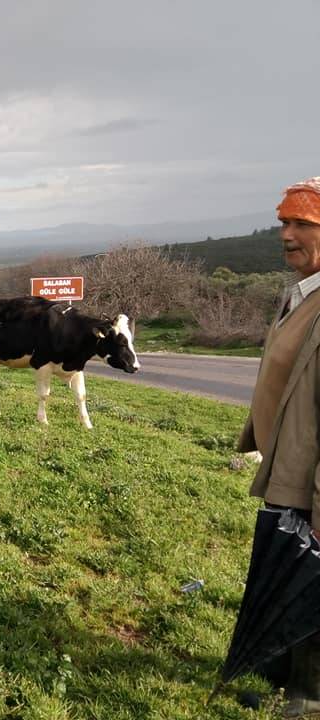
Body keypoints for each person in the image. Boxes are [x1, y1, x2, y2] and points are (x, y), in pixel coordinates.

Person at [238, 176, 320, 717]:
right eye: (283, 223)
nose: (287, 234)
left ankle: (310, 695)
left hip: (310, 477)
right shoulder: (302, 292)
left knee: (312, 579)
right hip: (285, 463)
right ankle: (278, 670)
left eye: (302, 224)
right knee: (286, 570)